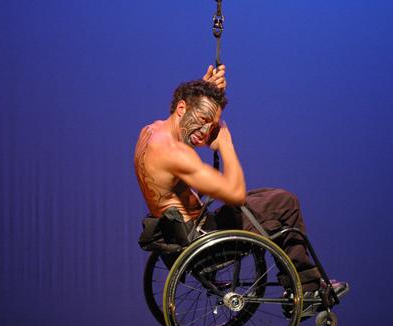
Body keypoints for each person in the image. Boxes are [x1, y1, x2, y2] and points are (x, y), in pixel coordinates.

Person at [134, 65, 347, 307]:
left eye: (211, 125)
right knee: (285, 204)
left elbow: (183, 125)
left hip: (183, 235)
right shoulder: (176, 155)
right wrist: (225, 142)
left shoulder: (151, 132)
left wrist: (205, 92)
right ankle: (306, 290)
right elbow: (235, 194)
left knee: (272, 198)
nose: (205, 133)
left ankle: (302, 286)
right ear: (182, 108)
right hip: (204, 244)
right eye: (204, 121)